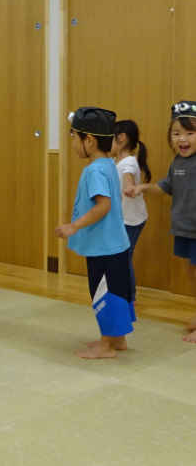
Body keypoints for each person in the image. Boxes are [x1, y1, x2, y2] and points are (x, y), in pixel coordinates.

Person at [55, 107, 134, 359]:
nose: (73, 144)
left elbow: (104, 205)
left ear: (89, 140)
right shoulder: (108, 163)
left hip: (104, 246)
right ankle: (118, 339)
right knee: (118, 292)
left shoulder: (94, 170)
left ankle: (106, 344)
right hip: (116, 244)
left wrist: (73, 226)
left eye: (74, 138)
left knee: (104, 294)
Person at [127, 101, 196, 342]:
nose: (182, 139)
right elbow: (165, 186)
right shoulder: (177, 163)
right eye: (176, 133)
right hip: (184, 229)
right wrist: (142, 187)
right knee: (192, 273)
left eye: (190, 132)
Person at [111, 120, 151, 302]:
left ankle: (130, 298)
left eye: (108, 138)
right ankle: (121, 292)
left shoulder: (128, 162)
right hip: (122, 218)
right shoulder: (115, 160)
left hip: (131, 220)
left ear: (121, 138)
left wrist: (129, 187)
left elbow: (128, 177)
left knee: (124, 257)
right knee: (118, 256)